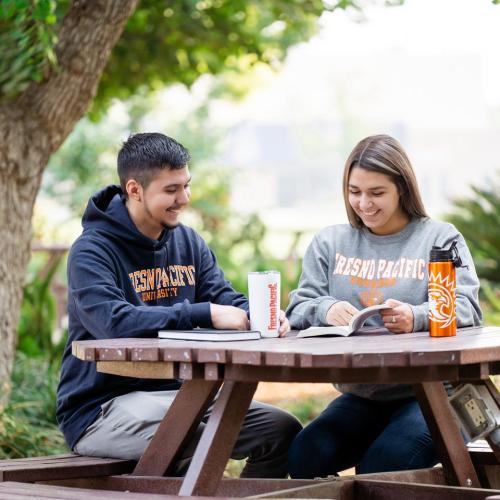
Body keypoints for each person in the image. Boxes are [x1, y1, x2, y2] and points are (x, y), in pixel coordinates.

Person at [56, 132, 302, 477]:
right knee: (201, 441)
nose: (184, 199)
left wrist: (259, 314)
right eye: (171, 190)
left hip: (185, 397)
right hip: (102, 409)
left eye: (186, 185)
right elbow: (113, 321)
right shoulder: (92, 250)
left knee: (281, 430)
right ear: (134, 189)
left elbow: (221, 296)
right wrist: (206, 314)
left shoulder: (187, 241)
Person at [286, 134, 482, 478]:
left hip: (433, 394)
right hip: (364, 395)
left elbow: (466, 307)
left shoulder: (439, 238)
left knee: (384, 466)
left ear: (402, 189)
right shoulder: (330, 241)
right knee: (305, 455)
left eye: (377, 193)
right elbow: (299, 305)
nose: (364, 204)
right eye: (354, 191)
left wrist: (416, 316)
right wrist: (326, 308)